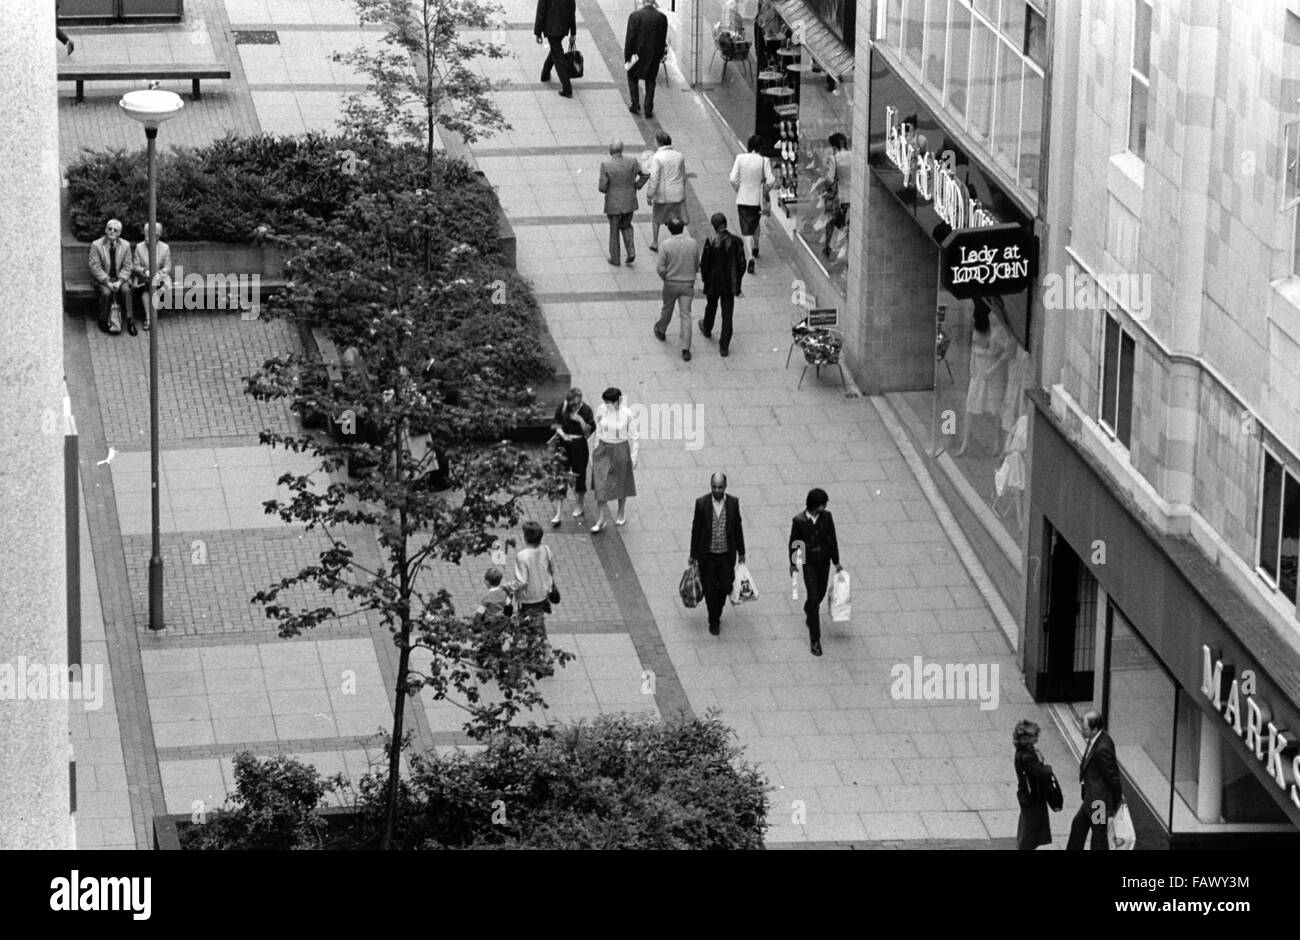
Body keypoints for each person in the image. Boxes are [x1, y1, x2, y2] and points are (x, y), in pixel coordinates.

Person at [688, 473, 746, 636]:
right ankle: (713, 619)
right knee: (709, 588)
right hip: (708, 555)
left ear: (725, 487)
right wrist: (693, 554)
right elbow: (696, 530)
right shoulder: (701, 504)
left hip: (726, 555)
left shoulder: (733, 503)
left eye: (720, 487)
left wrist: (741, 551)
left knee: (726, 586)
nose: (717, 490)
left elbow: (737, 528)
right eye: (714, 487)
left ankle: (717, 609)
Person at [956, 299, 1015, 456]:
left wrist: (993, 370)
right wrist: (971, 365)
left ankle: (997, 442)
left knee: (994, 408)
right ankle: (965, 443)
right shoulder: (978, 327)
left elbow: (1008, 350)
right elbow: (973, 347)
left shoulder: (998, 329)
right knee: (971, 406)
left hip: (991, 371)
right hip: (978, 371)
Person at [787, 488, 841, 656]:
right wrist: (793, 563)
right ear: (814, 506)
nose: (824, 507)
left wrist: (836, 561)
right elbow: (795, 542)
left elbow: (832, 538)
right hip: (809, 563)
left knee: (820, 594)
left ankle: (809, 608)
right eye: (822, 505)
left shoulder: (827, 518)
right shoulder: (800, 521)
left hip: (823, 562)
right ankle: (815, 639)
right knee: (814, 597)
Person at [1066, 710, 1124, 851]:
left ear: (1095, 729)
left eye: (1085, 729)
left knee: (1098, 835)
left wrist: (1116, 803)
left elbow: (1112, 778)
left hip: (1099, 802)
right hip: (1091, 798)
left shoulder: (1102, 748)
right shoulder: (1098, 739)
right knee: (1078, 825)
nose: (1082, 731)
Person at [590, 387, 638, 531]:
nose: (607, 405)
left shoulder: (627, 414)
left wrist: (634, 456)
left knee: (620, 482)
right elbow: (598, 431)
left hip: (620, 448)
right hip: (604, 448)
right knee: (600, 482)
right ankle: (601, 518)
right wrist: (595, 451)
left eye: (609, 403)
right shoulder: (602, 410)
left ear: (618, 402)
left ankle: (621, 511)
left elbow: (634, 437)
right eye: (605, 402)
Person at [698, 213, 745, 357]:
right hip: (729, 284)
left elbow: (704, 264)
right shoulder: (737, 241)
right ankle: (724, 346)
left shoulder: (711, 241)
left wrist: (705, 279)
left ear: (714, 226)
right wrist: (737, 283)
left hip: (713, 282)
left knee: (711, 306)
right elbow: (742, 264)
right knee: (727, 314)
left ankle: (707, 327)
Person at [654, 217, 701, 361]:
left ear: (669, 230)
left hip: (671, 282)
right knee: (686, 315)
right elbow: (697, 264)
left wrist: (665, 278)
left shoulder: (666, 245)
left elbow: (660, 268)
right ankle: (686, 348)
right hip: (687, 283)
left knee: (667, 308)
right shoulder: (692, 243)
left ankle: (661, 329)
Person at [598, 139, 648, 266]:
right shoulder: (632, 162)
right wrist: (636, 186)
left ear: (611, 150)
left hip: (613, 204)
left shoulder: (606, 165)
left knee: (614, 230)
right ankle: (631, 251)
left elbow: (602, 187)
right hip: (629, 201)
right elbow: (645, 174)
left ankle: (615, 258)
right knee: (627, 225)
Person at [549, 387, 595, 524]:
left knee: (579, 475)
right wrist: (562, 434)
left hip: (578, 445)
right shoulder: (563, 407)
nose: (573, 407)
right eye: (571, 404)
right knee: (560, 475)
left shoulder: (586, 411)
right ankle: (558, 513)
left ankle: (580, 504)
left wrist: (580, 420)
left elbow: (588, 431)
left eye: (576, 404)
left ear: (580, 401)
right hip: (563, 444)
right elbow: (555, 424)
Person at [729, 134, 774, 273]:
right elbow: (771, 180)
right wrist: (763, 190)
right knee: (755, 222)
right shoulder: (764, 160)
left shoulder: (740, 158)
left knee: (746, 228)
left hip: (743, 198)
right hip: (757, 200)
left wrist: (738, 188)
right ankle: (756, 245)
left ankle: (749, 257)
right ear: (760, 147)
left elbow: (732, 178)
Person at [508, 521, 557, 631]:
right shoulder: (546, 550)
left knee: (525, 625)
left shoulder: (522, 556)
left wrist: (509, 587)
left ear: (525, 537)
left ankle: (533, 644)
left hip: (528, 598)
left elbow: (522, 581)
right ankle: (540, 642)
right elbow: (552, 570)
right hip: (544, 594)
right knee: (538, 620)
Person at [1013, 719, 1054, 850]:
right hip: (1033, 797)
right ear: (1026, 739)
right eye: (1035, 735)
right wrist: (1043, 763)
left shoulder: (1023, 752)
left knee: (1029, 827)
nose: (1037, 737)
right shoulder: (1028, 757)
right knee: (1030, 830)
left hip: (1028, 795)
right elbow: (1043, 772)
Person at [89, 219, 135, 335]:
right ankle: (103, 320)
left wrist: (120, 282)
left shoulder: (125, 245)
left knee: (126, 290)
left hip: (120, 278)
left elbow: (127, 266)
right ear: (106, 230)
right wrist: (108, 282)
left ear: (119, 233)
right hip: (103, 279)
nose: (112, 232)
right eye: (110, 229)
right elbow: (95, 267)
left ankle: (130, 321)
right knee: (106, 293)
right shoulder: (96, 245)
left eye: (115, 230)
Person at [624, 0, 668, 118]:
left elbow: (630, 40)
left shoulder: (634, 16)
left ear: (643, 2)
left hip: (636, 55)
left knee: (632, 76)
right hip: (653, 56)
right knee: (650, 81)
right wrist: (658, 55)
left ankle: (635, 104)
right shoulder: (662, 18)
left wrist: (627, 58)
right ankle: (648, 108)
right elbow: (662, 40)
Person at [645, 130, 687, 251]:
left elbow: (654, 179)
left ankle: (655, 242)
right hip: (677, 193)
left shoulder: (657, 157)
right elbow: (683, 176)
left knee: (657, 218)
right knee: (675, 217)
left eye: (654, 141)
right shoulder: (679, 155)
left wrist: (650, 195)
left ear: (659, 143)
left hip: (663, 194)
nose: (653, 142)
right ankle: (676, 241)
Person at [130, 221, 172, 332]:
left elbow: (168, 266)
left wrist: (159, 273)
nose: (150, 237)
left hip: (159, 278)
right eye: (147, 234)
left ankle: (151, 317)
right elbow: (135, 266)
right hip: (145, 277)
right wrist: (145, 271)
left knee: (155, 285)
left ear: (159, 235)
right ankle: (149, 319)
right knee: (146, 287)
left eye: (155, 235)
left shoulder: (165, 248)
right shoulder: (139, 247)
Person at [535, 0, 577, 98]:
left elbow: (541, 12)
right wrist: (573, 32)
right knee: (555, 50)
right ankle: (544, 75)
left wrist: (538, 32)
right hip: (563, 28)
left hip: (550, 28)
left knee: (558, 55)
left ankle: (567, 88)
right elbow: (572, 12)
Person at [821, 132, 852, 260]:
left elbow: (829, 179)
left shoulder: (834, 158)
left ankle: (828, 246)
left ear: (834, 146)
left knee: (831, 221)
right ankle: (848, 252)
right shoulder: (854, 155)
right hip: (852, 196)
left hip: (840, 197)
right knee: (848, 225)